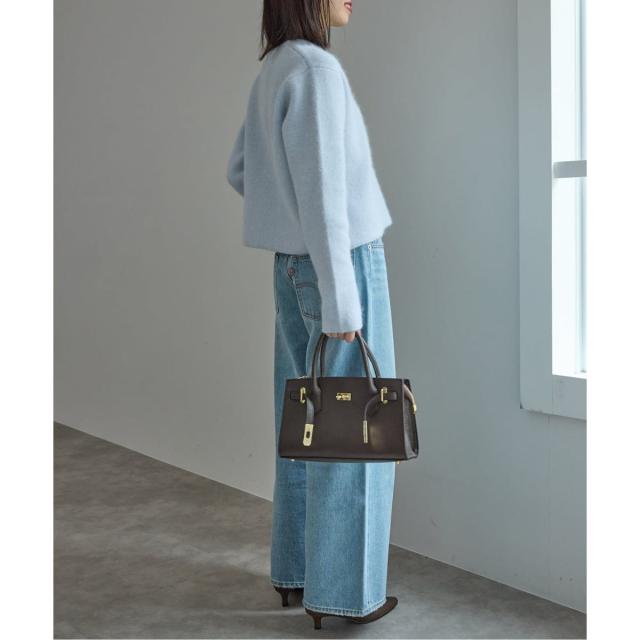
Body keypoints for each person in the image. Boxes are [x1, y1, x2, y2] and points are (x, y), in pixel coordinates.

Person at [226, 0, 398, 629]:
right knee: (356, 433)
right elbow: (325, 197)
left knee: (303, 423)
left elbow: (241, 170)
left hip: (292, 267)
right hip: (340, 266)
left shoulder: (276, 66)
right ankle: (345, 594)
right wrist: (342, 298)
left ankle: (297, 572)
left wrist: (286, 218)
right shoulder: (317, 70)